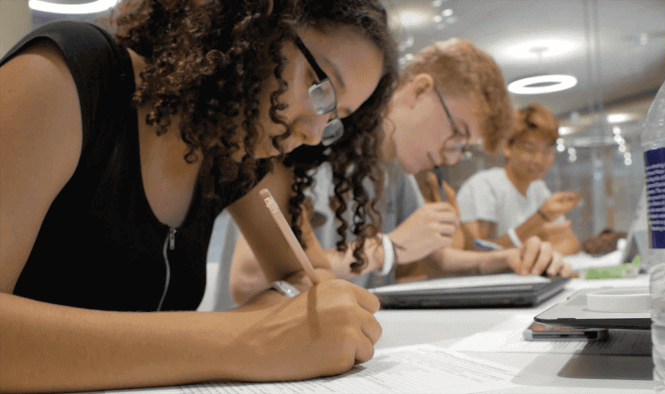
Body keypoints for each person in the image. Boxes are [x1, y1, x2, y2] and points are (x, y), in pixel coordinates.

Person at [0, 0, 399, 391]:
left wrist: (284, 314)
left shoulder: (233, 149)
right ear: (255, 24)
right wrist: (248, 339)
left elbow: (308, 278)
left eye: (336, 118)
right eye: (321, 89)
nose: (314, 133)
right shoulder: (65, 76)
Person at [230, 38, 572, 305]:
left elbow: (436, 261)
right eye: (456, 136)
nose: (451, 159)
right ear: (419, 90)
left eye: (463, 148)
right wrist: (387, 249)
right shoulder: (314, 141)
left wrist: (509, 259)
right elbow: (248, 280)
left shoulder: (395, 171)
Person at [456, 103, 582, 256]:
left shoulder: (539, 188)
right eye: (530, 149)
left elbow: (571, 244)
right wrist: (540, 221)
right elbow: (477, 251)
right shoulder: (484, 186)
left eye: (548, 150)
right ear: (507, 147)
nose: (539, 159)